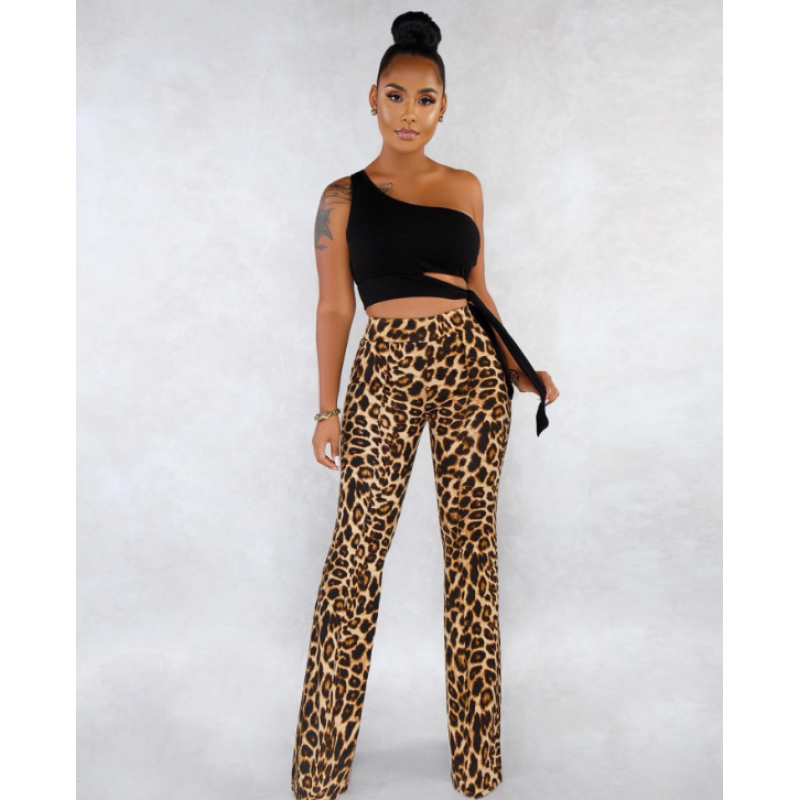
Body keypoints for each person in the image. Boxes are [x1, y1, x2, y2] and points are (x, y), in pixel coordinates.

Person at [291, 11, 560, 800]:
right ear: (372, 97)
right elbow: (333, 307)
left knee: (472, 557)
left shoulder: (466, 187)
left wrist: (519, 368)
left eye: (426, 99)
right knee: (355, 555)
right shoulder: (339, 198)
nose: (409, 112)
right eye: (397, 95)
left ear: (444, 108)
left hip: (474, 370)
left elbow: (478, 291)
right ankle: (319, 767)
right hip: (384, 369)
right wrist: (327, 409)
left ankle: (477, 766)